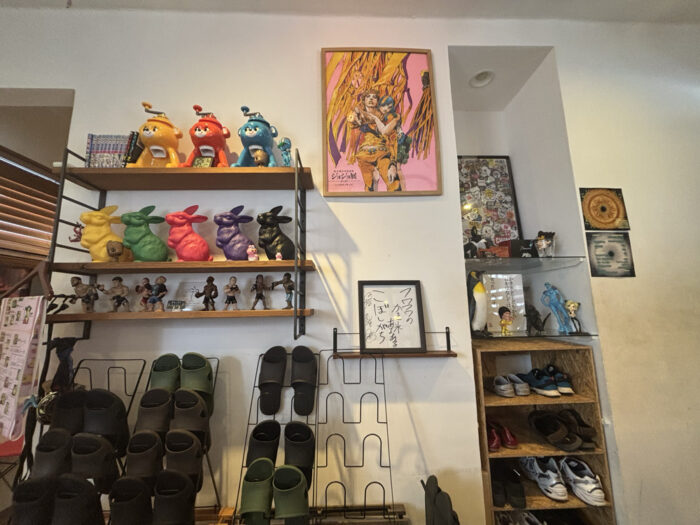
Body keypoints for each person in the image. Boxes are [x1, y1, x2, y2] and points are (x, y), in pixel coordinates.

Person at [347, 89, 400, 192]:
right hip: (364, 156)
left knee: (395, 185)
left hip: (382, 153)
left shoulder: (385, 116)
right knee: (369, 189)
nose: (371, 99)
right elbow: (351, 121)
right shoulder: (358, 115)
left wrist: (393, 163)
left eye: (374, 97)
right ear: (364, 100)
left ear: (378, 101)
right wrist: (356, 114)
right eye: (368, 96)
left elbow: (393, 139)